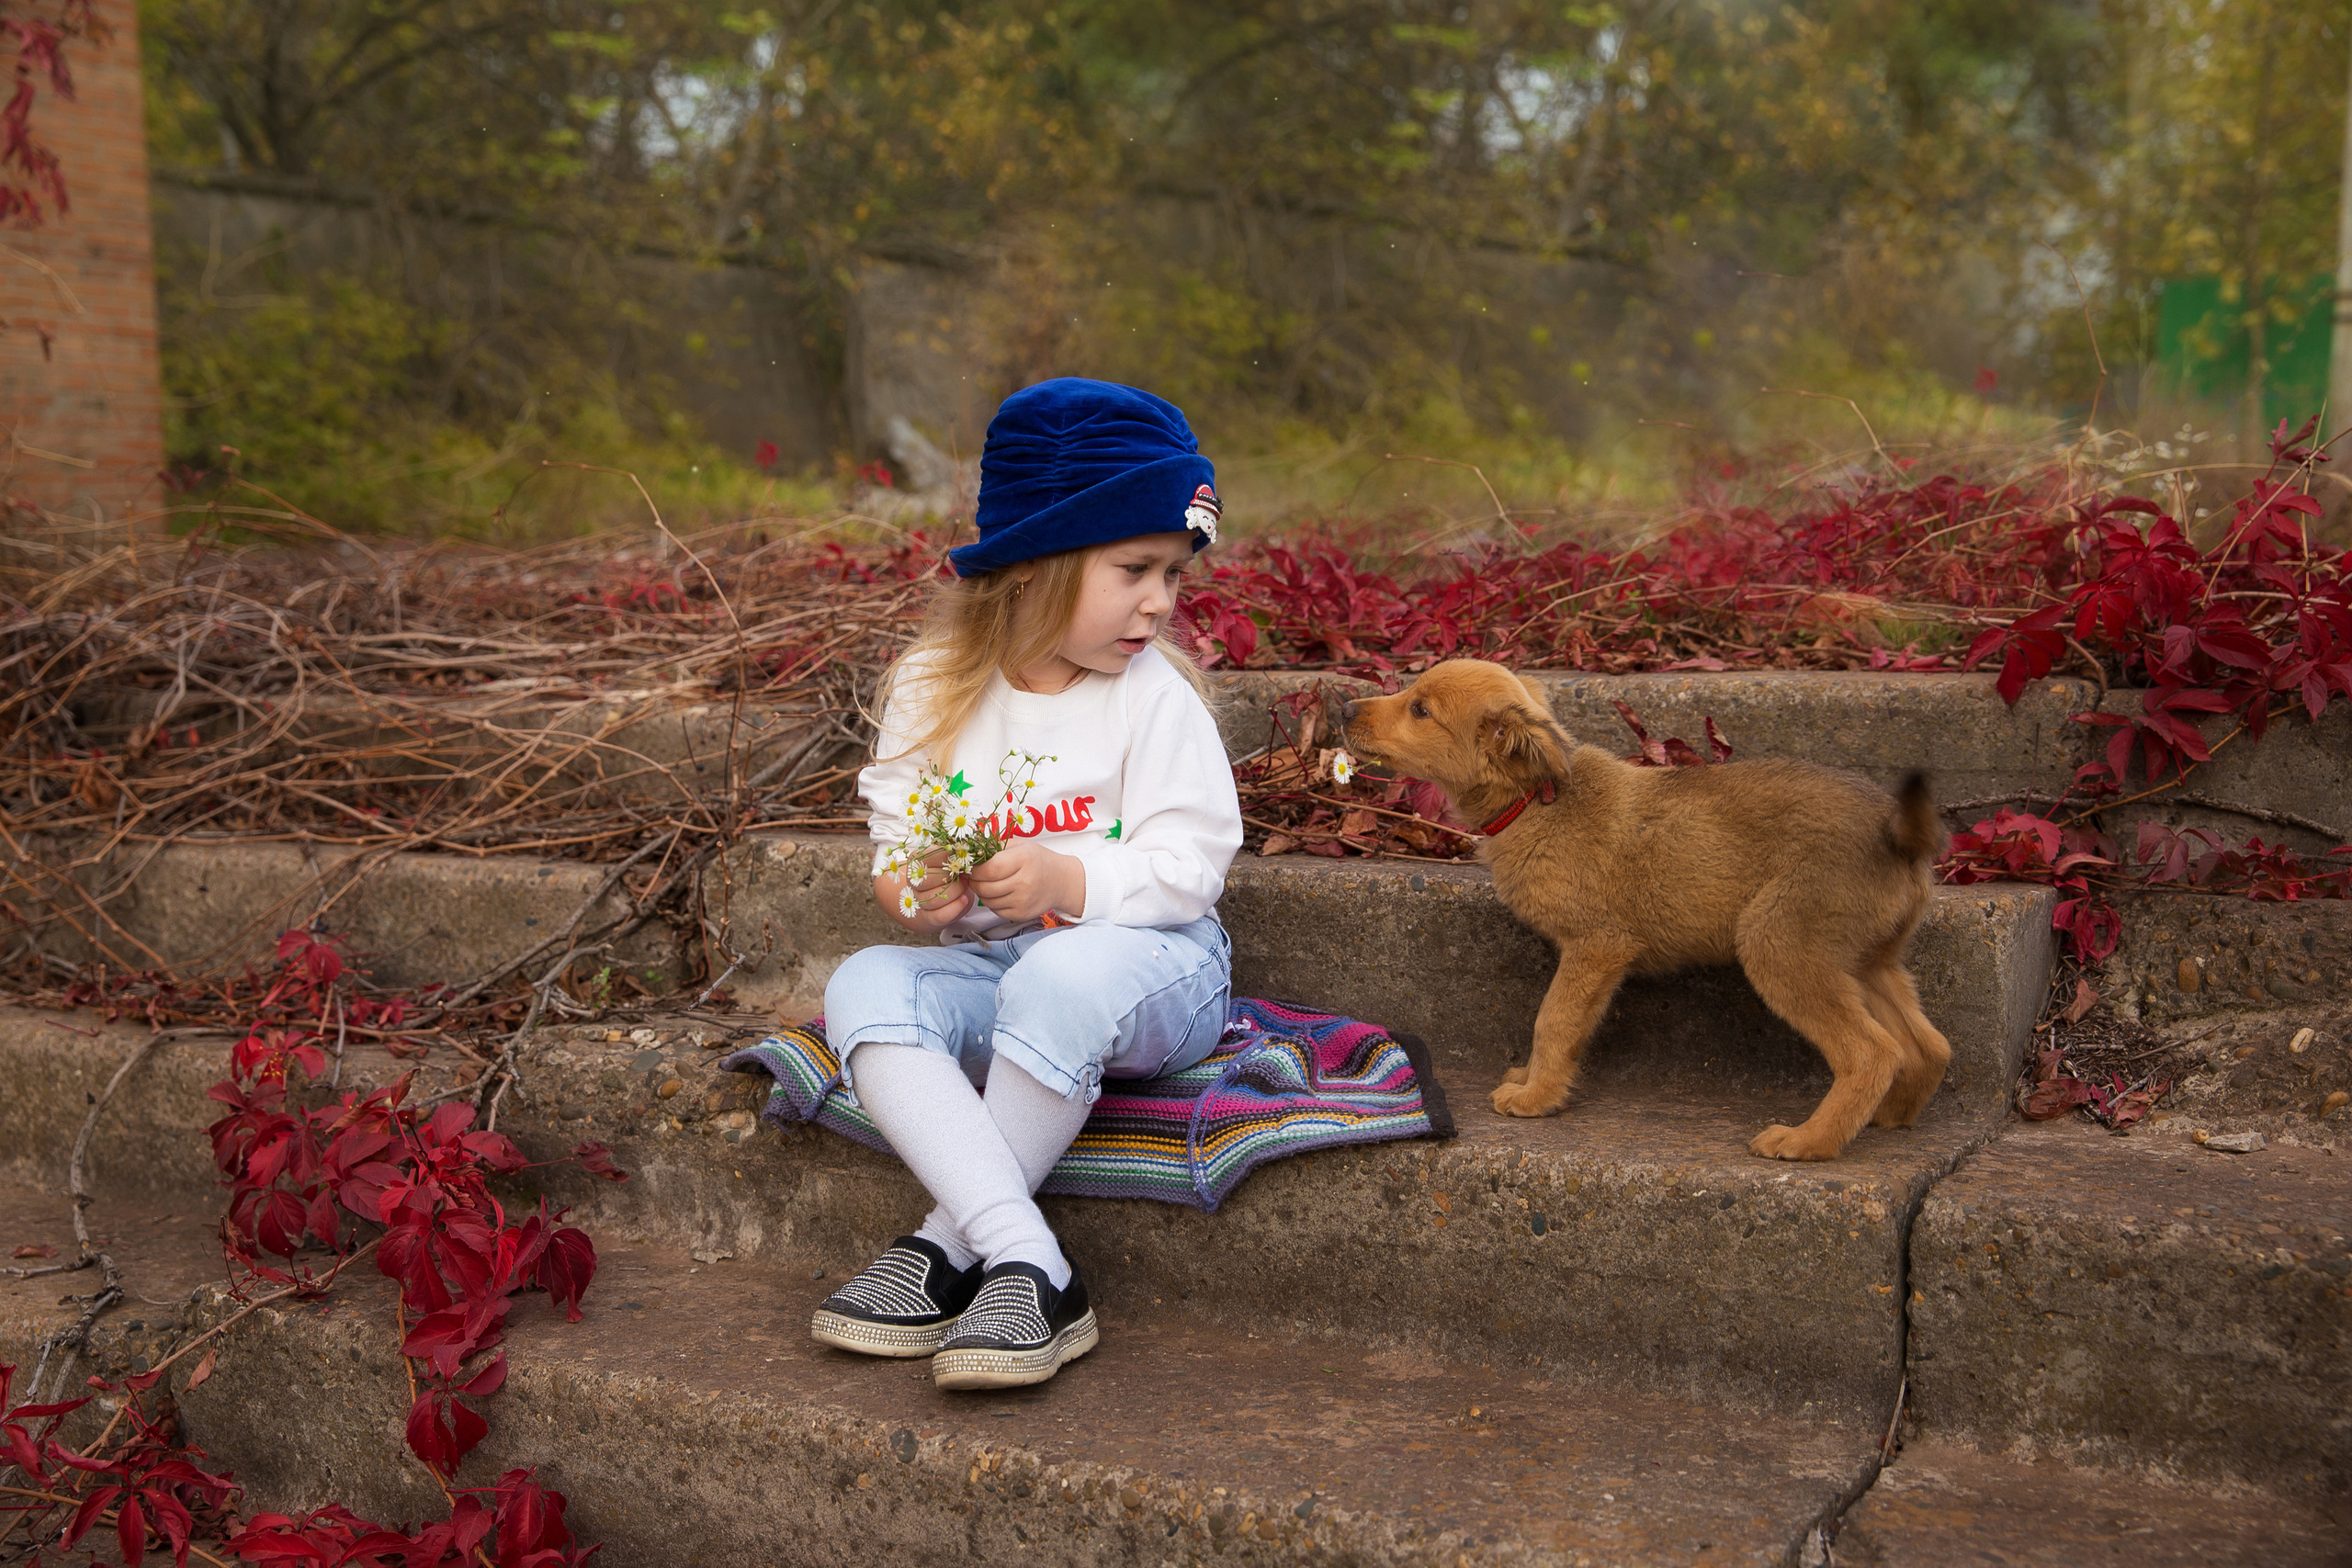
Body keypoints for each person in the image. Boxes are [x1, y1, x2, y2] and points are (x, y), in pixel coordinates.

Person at [809, 378, 1243, 1391]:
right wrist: (916, 893)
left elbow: (1193, 867)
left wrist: (1066, 875)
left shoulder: (1152, 699)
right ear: (1033, 564)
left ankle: (952, 1248)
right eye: (1134, 567)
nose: (1161, 602)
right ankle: (1031, 1264)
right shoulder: (933, 687)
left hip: (1158, 973)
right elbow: (895, 843)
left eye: (1175, 574)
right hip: (999, 972)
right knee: (865, 986)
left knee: (1062, 978)